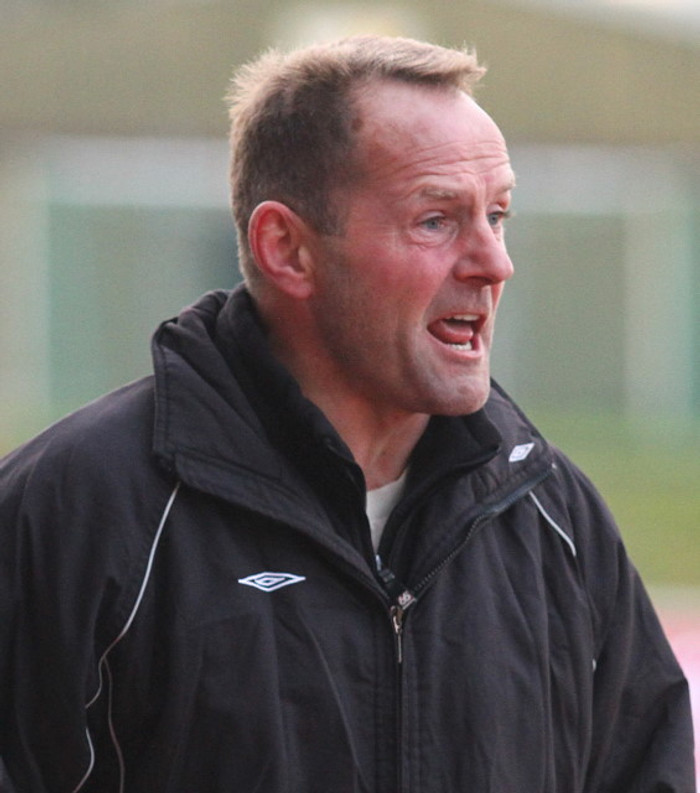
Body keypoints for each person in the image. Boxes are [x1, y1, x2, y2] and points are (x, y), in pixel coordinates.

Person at [0, 35, 694, 793]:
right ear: (287, 249)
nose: (495, 262)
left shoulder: (557, 520)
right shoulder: (72, 515)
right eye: (436, 220)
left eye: (497, 215)